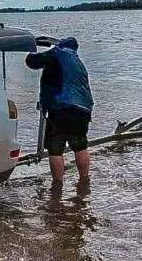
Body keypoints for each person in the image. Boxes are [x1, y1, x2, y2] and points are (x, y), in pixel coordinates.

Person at [25, 37, 93, 184]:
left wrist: (33, 46)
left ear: (61, 46)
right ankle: (84, 180)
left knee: (55, 148)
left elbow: (31, 62)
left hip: (62, 108)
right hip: (83, 110)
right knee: (80, 145)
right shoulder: (77, 62)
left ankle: (57, 184)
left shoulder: (58, 53)